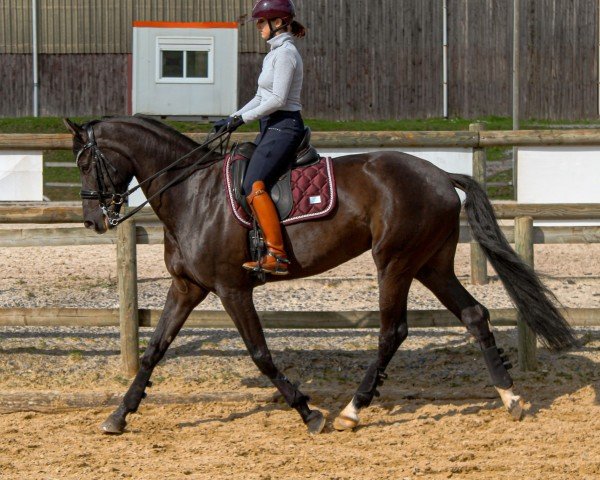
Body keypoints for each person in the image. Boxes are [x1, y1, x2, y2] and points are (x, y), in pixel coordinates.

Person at [215, 0, 306, 276]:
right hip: (271, 126)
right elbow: (260, 96)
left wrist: (242, 119)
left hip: (284, 126)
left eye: (260, 22)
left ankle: (276, 254)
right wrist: (232, 118)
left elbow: (277, 99)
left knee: (253, 186)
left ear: (277, 23)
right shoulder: (273, 54)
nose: (257, 27)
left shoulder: (286, 54)